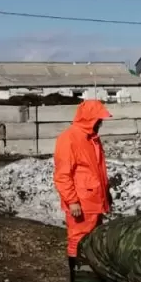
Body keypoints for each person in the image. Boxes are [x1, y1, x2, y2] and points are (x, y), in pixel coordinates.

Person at [53, 99, 113, 263]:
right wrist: (72, 201)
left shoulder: (92, 138)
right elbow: (62, 175)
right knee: (78, 240)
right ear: (89, 118)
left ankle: (90, 279)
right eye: (99, 119)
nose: (101, 123)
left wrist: (106, 193)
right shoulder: (69, 138)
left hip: (95, 201)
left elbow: (97, 171)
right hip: (81, 202)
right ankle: (80, 281)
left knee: (93, 241)